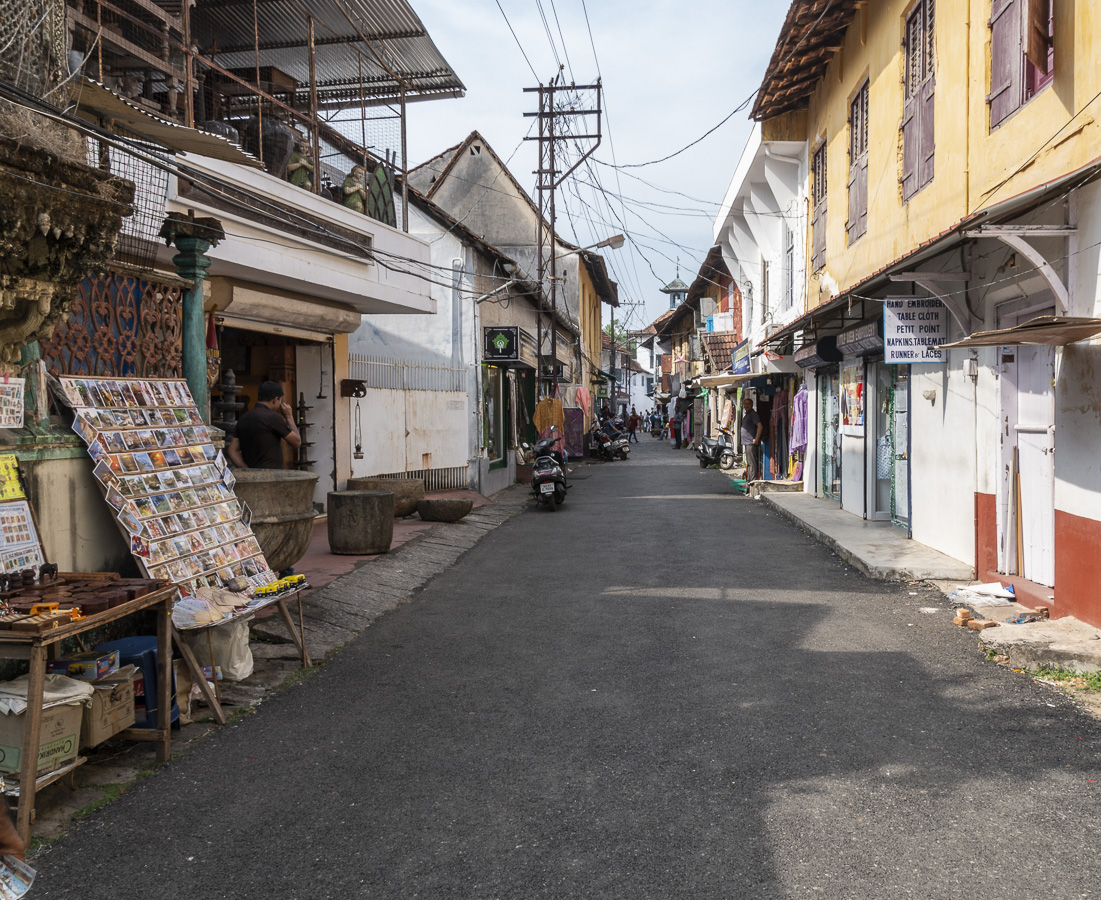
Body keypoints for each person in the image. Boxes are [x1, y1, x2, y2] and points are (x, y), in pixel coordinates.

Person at [228, 381, 302, 470]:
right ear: (275, 399)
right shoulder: (273, 417)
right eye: (280, 400)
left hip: (251, 476)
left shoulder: (244, 417)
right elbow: (296, 442)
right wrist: (289, 416)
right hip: (271, 474)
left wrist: (247, 470)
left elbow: (232, 451)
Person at [740, 395, 764, 482]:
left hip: (751, 442)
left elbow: (760, 426)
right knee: (749, 463)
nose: (746, 405)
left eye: (748, 404)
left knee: (752, 463)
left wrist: (756, 439)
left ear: (752, 405)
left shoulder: (753, 414)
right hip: (747, 442)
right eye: (745, 404)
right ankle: (749, 481)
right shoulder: (747, 414)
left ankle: (752, 482)